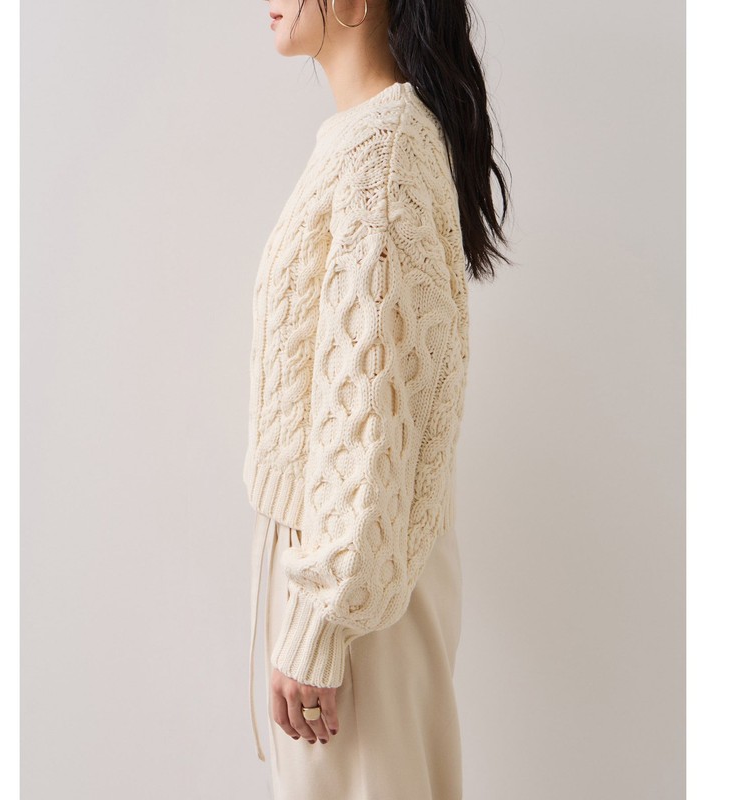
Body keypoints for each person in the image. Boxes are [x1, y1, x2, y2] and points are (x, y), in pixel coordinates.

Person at [244, 1, 512, 796]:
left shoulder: (384, 154)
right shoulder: (362, 141)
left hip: (357, 593)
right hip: (347, 573)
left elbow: (371, 415)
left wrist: (320, 624)